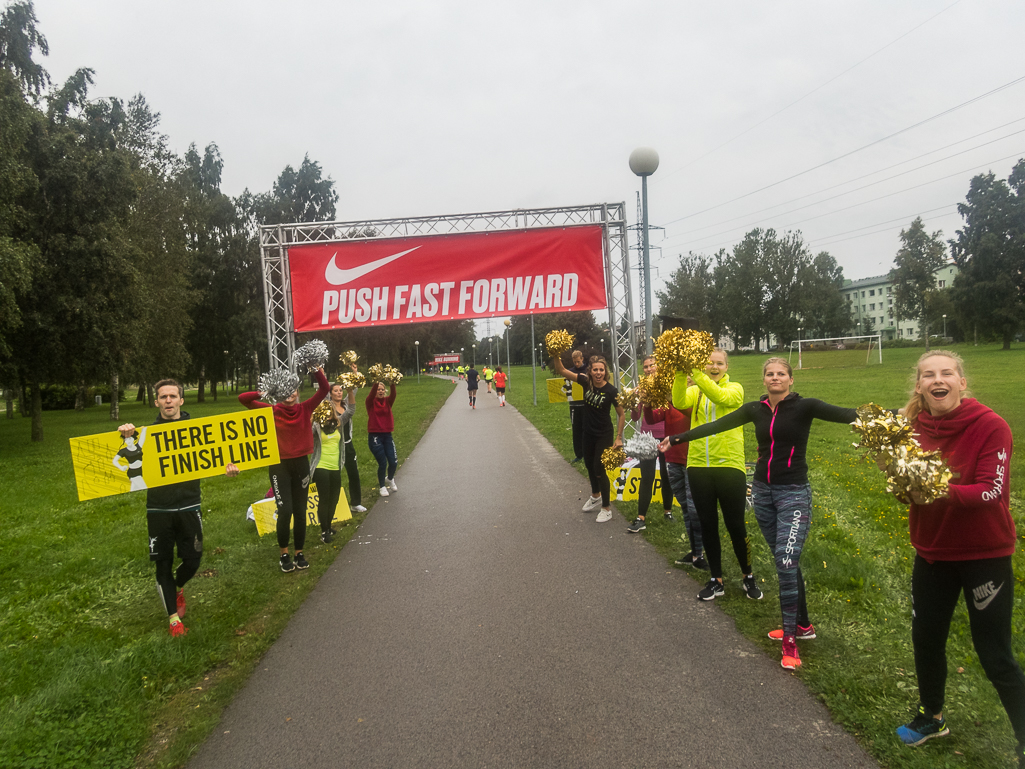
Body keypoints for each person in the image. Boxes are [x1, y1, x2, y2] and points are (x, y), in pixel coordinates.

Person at [662, 357, 857, 669]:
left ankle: (791, 639)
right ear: (764, 379)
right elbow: (718, 424)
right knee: (785, 561)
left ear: (791, 380)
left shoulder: (805, 406)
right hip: (763, 493)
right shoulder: (756, 409)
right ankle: (803, 625)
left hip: (793, 493)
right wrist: (679, 437)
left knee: (785, 559)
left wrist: (899, 416)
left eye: (781, 374)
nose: (775, 378)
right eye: (770, 374)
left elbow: (847, 414)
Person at [886, 352, 1024, 761]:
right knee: (926, 640)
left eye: (947, 373)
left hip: (985, 554)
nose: (937, 380)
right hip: (931, 552)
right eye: (929, 375)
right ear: (919, 386)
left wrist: (934, 487)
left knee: (995, 654)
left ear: (962, 382)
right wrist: (905, 488)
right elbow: (905, 486)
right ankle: (932, 718)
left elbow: (990, 492)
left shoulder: (991, 426)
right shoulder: (909, 429)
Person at [119, 380, 238, 637]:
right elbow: (128, 451)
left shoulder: (198, 430)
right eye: (164, 397)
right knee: (162, 562)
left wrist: (229, 467)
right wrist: (126, 432)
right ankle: (174, 619)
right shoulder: (145, 434)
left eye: (173, 396)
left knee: (193, 559)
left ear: (182, 401)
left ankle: (177, 586)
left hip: (189, 503)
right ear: (157, 402)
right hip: (159, 508)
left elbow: (219, 454)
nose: (169, 401)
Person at [668, 349, 762, 602]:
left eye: (719, 363)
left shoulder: (736, 389)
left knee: (735, 525)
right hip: (698, 465)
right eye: (709, 362)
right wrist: (679, 372)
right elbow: (678, 401)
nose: (714, 366)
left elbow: (719, 397)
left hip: (729, 465)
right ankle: (716, 579)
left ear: (726, 366)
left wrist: (696, 372)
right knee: (707, 523)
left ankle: (747, 575)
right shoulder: (696, 389)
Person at [240, 367, 329, 573]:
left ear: (298, 392)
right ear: (280, 393)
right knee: (285, 510)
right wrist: (266, 391)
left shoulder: (306, 408)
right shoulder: (272, 410)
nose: (290, 393)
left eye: (293, 389)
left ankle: (299, 552)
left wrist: (316, 369)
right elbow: (244, 399)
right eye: (286, 390)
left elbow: (324, 389)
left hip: (301, 465)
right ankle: (284, 554)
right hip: (280, 466)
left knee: (300, 511)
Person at [552, 352, 625, 523]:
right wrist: (556, 353)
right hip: (588, 432)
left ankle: (606, 508)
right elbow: (561, 370)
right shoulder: (585, 382)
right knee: (589, 466)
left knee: (599, 469)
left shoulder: (611, 390)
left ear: (605, 371)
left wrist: (619, 437)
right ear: (590, 371)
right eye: (595, 370)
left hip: (603, 435)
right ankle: (595, 496)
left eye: (601, 370)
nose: (598, 373)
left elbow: (621, 414)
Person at [627, 355, 674, 533]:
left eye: (652, 365)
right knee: (646, 478)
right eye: (645, 367)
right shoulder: (641, 389)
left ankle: (668, 511)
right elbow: (635, 417)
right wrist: (633, 403)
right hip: (648, 439)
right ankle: (641, 518)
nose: (648, 369)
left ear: (659, 366)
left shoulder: (667, 386)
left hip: (667, 437)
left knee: (666, 476)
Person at [314, 392, 354, 543]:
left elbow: (350, 411)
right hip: (321, 466)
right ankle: (324, 531)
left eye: (329, 409)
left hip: (335, 466)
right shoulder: (317, 425)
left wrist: (351, 389)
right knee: (324, 499)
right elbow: (306, 432)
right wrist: (313, 417)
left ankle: (328, 525)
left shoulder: (338, 423)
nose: (328, 412)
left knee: (334, 498)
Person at [330, 368, 365, 514]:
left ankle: (355, 503)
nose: (339, 392)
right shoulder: (327, 407)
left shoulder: (346, 404)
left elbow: (354, 390)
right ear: (330, 394)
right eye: (335, 391)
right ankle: (334, 506)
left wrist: (355, 374)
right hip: (334, 446)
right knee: (334, 477)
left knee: (354, 473)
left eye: (340, 390)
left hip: (348, 444)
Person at [366, 380, 399, 495]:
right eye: (378, 389)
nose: (380, 391)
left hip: (387, 435)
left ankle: (390, 478)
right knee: (383, 462)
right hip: (375, 436)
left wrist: (392, 382)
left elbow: (393, 394)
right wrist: (375, 382)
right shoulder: (370, 402)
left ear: (385, 390)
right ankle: (382, 486)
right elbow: (370, 395)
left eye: (382, 389)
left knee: (393, 462)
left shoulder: (388, 401)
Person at [566, 350, 587, 463]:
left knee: (587, 429)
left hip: (586, 404)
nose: (577, 364)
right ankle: (579, 454)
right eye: (575, 362)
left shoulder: (588, 370)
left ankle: (587, 452)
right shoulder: (570, 372)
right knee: (576, 429)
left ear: (582, 359)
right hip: (574, 405)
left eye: (578, 362)